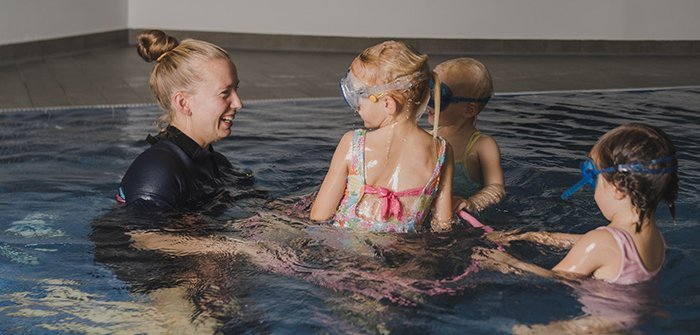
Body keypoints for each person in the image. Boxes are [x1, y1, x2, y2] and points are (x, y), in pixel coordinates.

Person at [482, 122, 678, 285]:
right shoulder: (654, 236)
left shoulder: (600, 241)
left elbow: (554, 280)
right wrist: (534, 236)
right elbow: (593, 245)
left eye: (591, 173)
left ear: (617, 188)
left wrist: (506, 262)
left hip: (594, 327)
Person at [310, 41, 455, 233]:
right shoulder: (441, 152)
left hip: (345, 250)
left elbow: (319, 216)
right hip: (405, 257)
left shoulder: (352, 144)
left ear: (388, 104)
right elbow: (443, 225)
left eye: (359, 94)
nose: (356, 105)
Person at [116, 30, 244, 208]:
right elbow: (143, 235)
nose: (238, 103)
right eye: (225, 93)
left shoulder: (215, 163)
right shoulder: (157, 171)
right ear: (183, 103)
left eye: (236, 90)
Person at [427, 58, 505, 216]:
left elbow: (496, 187)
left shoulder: (482, 145)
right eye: (429, 91)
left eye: (440, 97)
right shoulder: (426, 138)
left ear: (469, 109)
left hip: (463, 217)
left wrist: (471, 203)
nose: (430, 102)